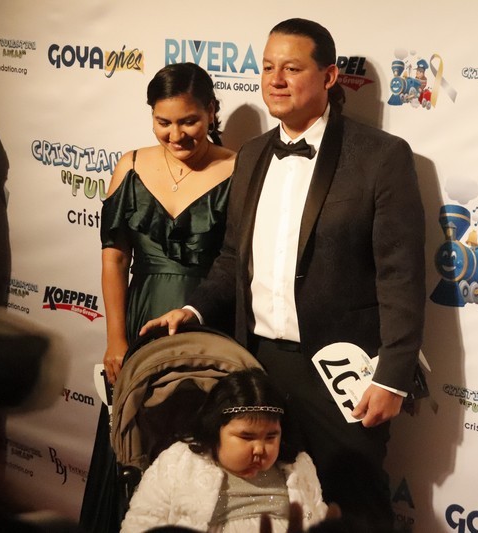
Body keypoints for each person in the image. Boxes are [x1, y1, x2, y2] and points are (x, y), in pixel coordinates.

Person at [141, 18, 426, 531]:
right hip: (259, 365)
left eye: (292, 68)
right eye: (268, 67)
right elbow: (232, 259)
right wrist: (193, 309)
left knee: (356, 508)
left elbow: (400, 277)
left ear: (329, 76)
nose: (275, 80)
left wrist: (393, 377)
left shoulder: (381, 157)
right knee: (274, 507)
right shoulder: (251, 155)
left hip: (342, 372)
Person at [80, 62, 235, 533]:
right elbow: (114, 259)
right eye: (163, 121)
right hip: (142, 318)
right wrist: (115, 339)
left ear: (211, 111)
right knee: (133, 434)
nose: (176, 134)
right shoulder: (129, 164)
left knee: (197, 442)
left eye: (189, 121)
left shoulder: (239, 167)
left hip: (208, 323)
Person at [122, 368, 327, 532]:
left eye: (271, 437)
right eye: (246, 437)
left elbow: (319, 517)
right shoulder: (178, 463)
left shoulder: (297, 468)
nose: (259, 449)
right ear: (215, 429)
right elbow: (142, 522)